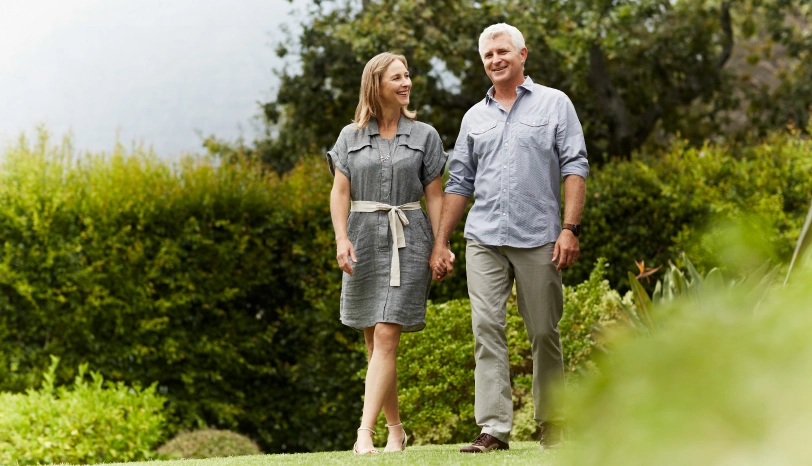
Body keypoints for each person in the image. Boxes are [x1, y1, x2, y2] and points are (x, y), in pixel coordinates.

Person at [430, 23, 589, 452]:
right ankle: (494, 429)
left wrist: (569, 228)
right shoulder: (474, 117)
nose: (495, 60)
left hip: (539, 236)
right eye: (488, 55)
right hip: (484, 238)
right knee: (486, 328)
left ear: (523, 54)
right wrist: (442, 242)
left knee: (543, 331)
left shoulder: (555, 104)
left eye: (502, 51)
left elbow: (575, 165)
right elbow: (459, 182)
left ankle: (553, 422)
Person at [327, 52, 446, 455]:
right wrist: (341, 239)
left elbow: (435, 195)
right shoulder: (350, 136)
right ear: (375, 85)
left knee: (386, 335)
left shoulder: (425, 136)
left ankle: (364, 433)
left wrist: (441, 244)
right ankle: (396, 430)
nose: (406, 83)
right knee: (376, 346)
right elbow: (340, 192)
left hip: (409, 241)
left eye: (407, 75)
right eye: (397, 77)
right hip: (362, 240)